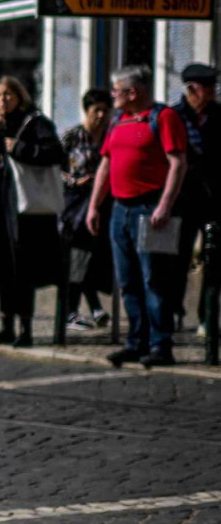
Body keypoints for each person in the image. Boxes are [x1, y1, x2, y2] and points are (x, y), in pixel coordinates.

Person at [88, 65, 189, 367]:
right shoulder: (118, 119)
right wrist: (94, 206)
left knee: (154, 278)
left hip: (149, 209)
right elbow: (105, 166)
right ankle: (136, 341)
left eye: (116, 90)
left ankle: (161, 344)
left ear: (134, 92)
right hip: (120, 209)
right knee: (127, 280)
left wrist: (165, 205)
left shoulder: (164, 117)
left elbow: (178, 163)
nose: (112, 95)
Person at [0, 76, 67, 348]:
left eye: (8, 94)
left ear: (20, 96)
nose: (2, 100)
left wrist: (18, 148)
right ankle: (6, 325)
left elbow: (55, 153)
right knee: (1, 267)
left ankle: (26, 328)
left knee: (24, 269)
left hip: (25, 210)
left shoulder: (36, 123)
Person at [170, 64, 219, 335]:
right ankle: (175, 310)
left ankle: (207, 316)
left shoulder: (219, 116)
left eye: (213, 87)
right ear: (190, 89)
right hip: (181, 198)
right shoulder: (173, 116)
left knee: (214, 259)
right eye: (206, 88)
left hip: (214, 200)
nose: (211, 92)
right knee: (177, 258)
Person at [60, 89, 114, 332]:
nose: (101, 116)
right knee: (79, 256)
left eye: (105, 110)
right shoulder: (72, 136)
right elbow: (53, 168)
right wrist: (72, 180)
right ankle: (73, 311)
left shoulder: (110, 136)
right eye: (96, 111)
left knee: (95, 258)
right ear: (86, 111)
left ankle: (94, 307)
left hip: (104, 204)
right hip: (76, 205)